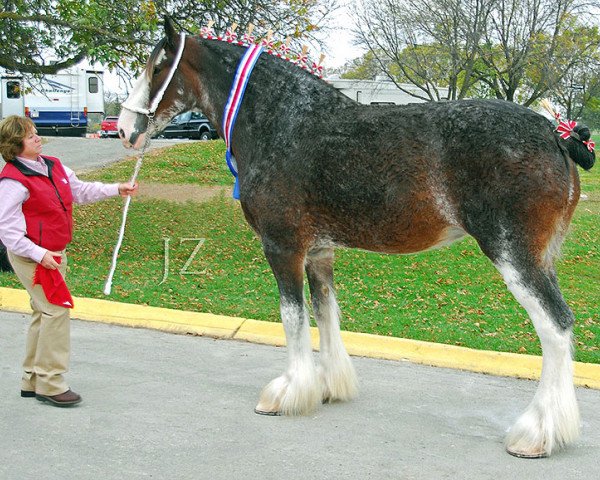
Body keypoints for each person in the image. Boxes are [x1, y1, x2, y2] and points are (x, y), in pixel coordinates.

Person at [0, 115, 138, 407]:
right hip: (33, 257)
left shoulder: (52, 165)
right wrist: (40, 255)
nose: (37, 138)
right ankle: (50, 383)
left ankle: (33, 379)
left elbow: (80, 190)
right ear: (15, 147)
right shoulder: (13, 181)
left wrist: (116, 189)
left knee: (43, 312)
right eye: (29, 136)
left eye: (36, 133)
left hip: (52, 253)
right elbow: (8, 230)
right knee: (55, 311)